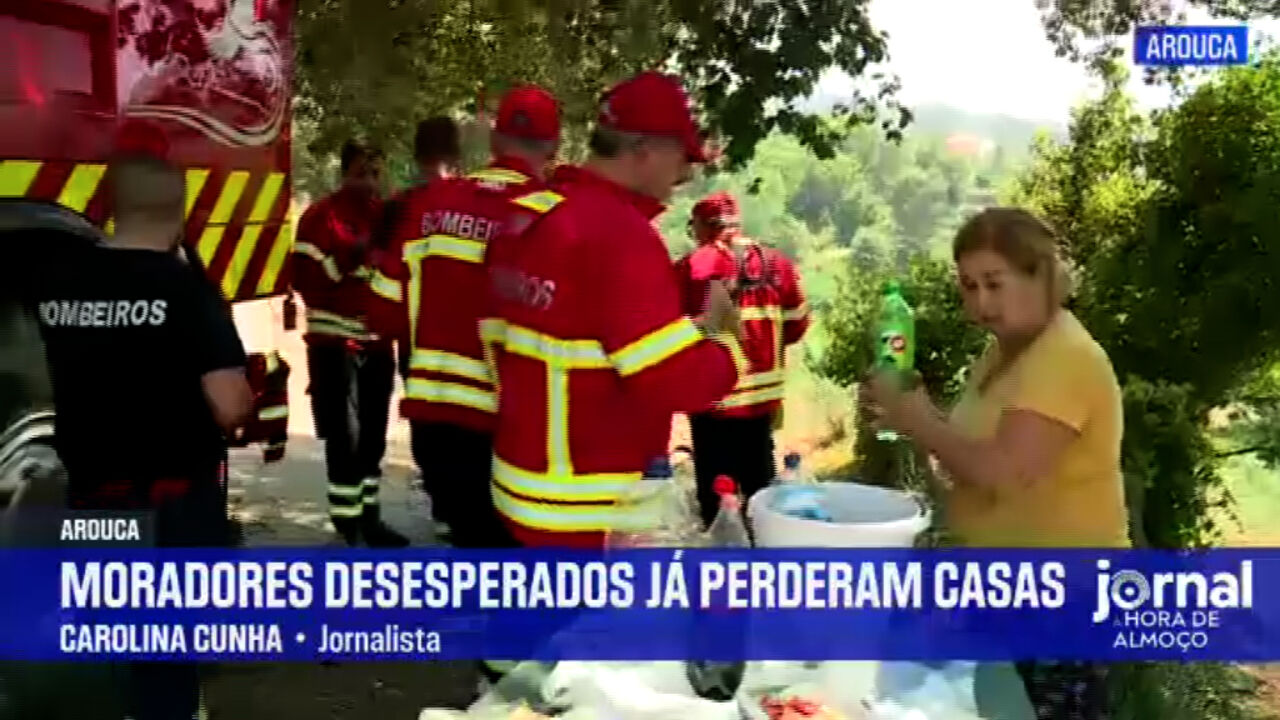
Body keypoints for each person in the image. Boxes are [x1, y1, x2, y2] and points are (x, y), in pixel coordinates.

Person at [21, 122, 253, 720]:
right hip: (172, 503)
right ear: (180, 212)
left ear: (110, 209)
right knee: (168, 651)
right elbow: (230, 405)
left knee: (113, 637)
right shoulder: (187, 291)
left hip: (93, 494)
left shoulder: (56, 282)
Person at [862, 207, 1127, 718]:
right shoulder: (1002, 354)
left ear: (1041, 277)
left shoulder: (1065, 356)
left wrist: (919, 421)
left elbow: (1003, 473)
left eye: (994, 283)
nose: (981, 302)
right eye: (969, 286)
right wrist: (910, 415)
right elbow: (966, 460)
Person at [481, 71, 749, 548]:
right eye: (683, 157)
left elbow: (579, 330)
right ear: (644, 150)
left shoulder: (533, 214)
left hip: (522, 487)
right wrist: (726, 339)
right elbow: (674, 379)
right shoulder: (619, 235)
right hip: (586, 512)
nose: (686, 174)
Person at [367, 86, 561, 548]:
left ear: (493, 141)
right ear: (554, 147)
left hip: (434, 424)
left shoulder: (430, 204)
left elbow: (382, 311)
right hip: (511, 430)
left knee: (470, 542)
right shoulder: (552, 214)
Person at [291, 140, 406, 547]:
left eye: (375, 174)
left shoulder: (385, 217)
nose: (369, 183)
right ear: (343, 174)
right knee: (346, 437)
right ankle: (346, 523)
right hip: (334, 344)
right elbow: (306, 282)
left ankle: (370, 518)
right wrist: (349, 256)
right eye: (361, 174)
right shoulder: (320, 218)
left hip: (377, 345)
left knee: (373, 437)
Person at [675, 190, 809, 527]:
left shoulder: (691, 268)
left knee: (717, 502)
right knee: (761, 498)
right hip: (760, 406)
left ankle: (721, 548)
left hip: (712, 406)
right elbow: (797, 324)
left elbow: (671, 333)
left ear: (702, 227)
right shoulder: (777, 265)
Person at [372, 116, 462, 379]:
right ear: (456, 155)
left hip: (416, 354)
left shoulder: (397, 207)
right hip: (470, 355)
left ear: (417, 155)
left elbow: (384, 295)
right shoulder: (476, 205)